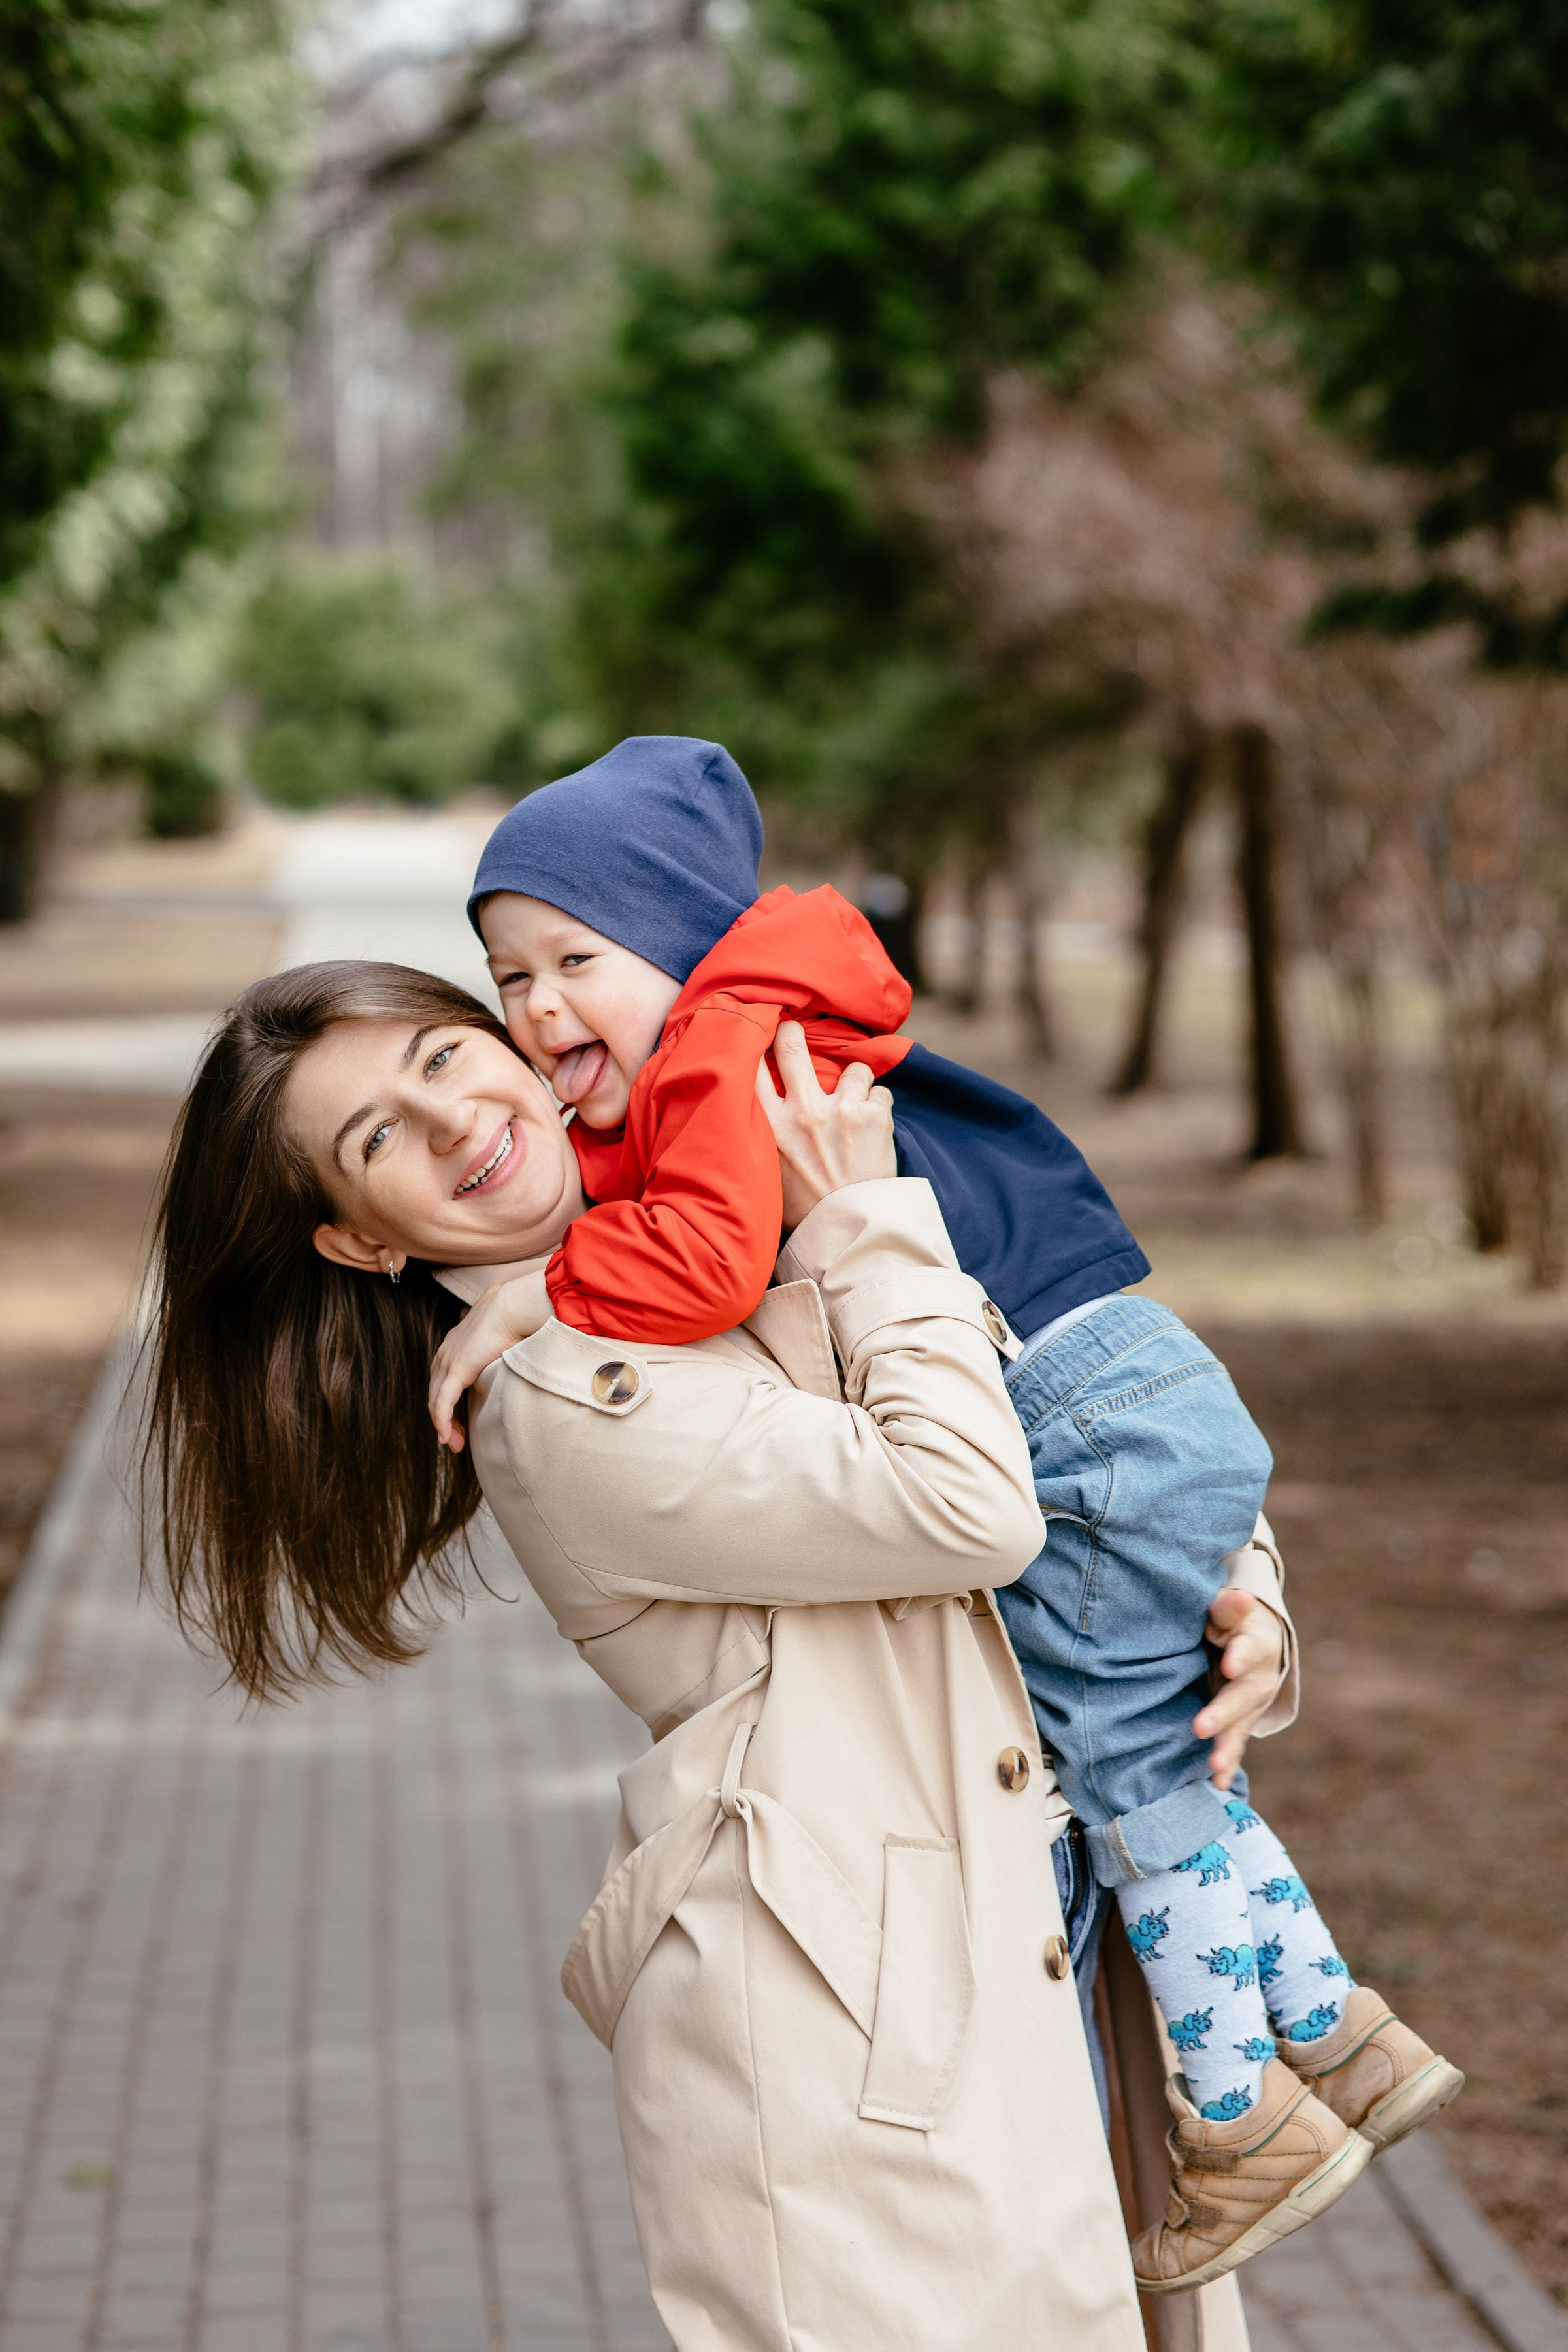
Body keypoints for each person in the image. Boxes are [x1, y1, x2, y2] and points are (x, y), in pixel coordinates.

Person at [144, 958, 1299, 2352]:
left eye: (442, 1059)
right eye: (376, 1138)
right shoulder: (564, 1399)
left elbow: (1067, 1416)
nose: (450, 1120)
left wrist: (1243, 1598)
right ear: (360, 1242)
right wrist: (868, 1217)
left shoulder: (697, 1232)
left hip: (1045, 1938)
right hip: (879, 2042)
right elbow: (971, 1507)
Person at [442, 734, 1462, 2292]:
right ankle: (1336, 2029)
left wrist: (541, 1285)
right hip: (1121, 1396)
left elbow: (742, 1291)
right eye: (505, 978)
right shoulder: (732, 1046)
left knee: (1132, 1760)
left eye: (573, 959)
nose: (533, 1011)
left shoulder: (726, 1056)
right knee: (1140, 1739)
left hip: (1075, 1427)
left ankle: (1245, 2110)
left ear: (674, 944)